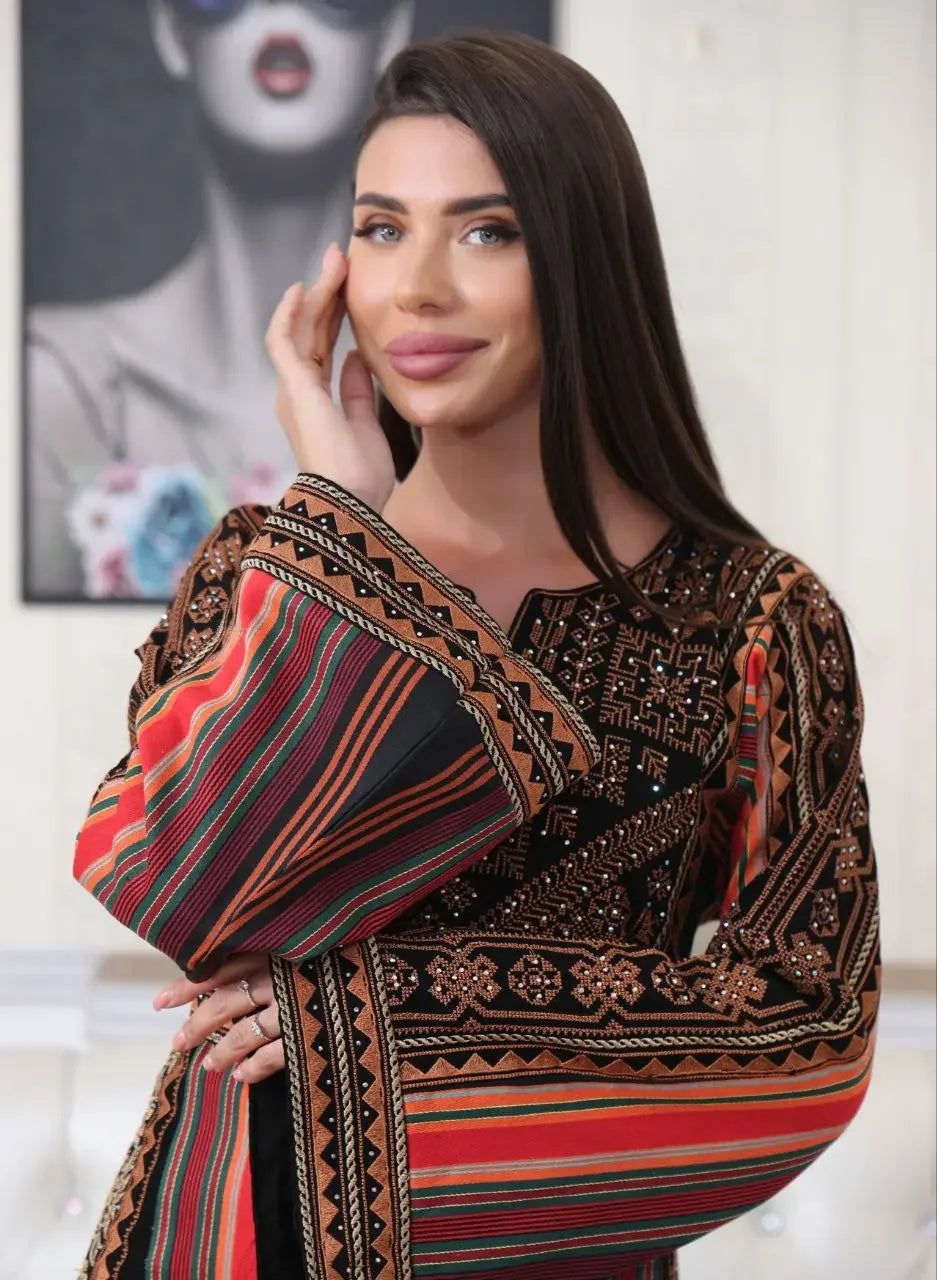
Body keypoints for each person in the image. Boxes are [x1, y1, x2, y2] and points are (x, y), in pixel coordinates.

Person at [72, 31, 880, 1280]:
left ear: (582, 262)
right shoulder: (266, 569)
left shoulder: (750, 621)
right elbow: (178, 881)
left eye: (488, 231)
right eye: (382, 229)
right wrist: (339, 519)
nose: (418, 290)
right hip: (229, 1232)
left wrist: (367, 1026)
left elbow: (810, 1026)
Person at [25, 0, 414, 599]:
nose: (283, 18)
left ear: (393, 27)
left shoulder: (445, 399)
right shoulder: (59, 382)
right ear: (171, 29)